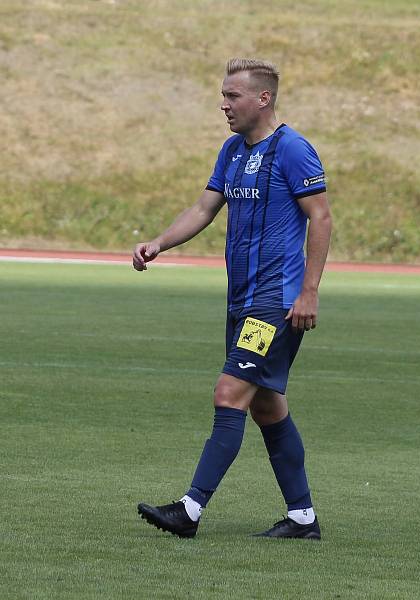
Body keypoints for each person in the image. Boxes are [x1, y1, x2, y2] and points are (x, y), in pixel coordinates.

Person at [133, 58, 332, 540]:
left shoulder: (293, 150)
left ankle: (190, 509)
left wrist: (308, 292)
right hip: (241, 298)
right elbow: (205, 206)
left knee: (229, 393)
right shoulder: (232, 150)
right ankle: (303, 517)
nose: (224, 105)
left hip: (275, 301)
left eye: (233, 96)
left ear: (262, 98)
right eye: (223, 95)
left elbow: (321, 218)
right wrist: (160, 241)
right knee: (267, 407)